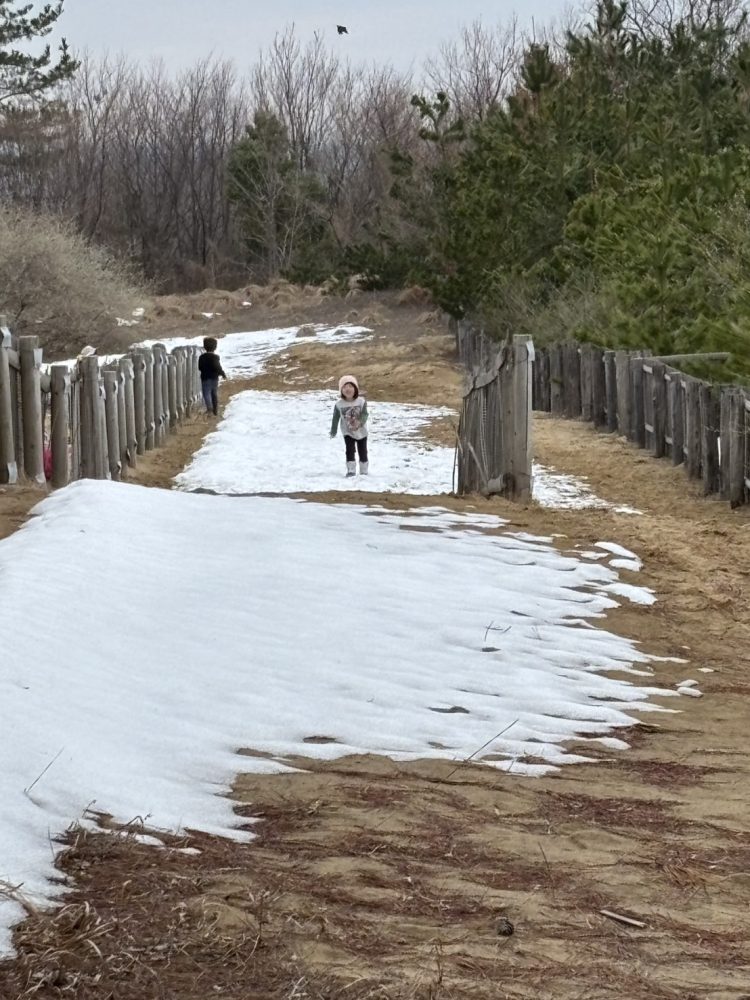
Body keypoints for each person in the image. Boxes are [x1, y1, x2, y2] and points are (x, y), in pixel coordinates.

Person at [330, 374, 368, 476]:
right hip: (347, 432)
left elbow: (365, 414)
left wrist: (361, 421)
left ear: (355, 389)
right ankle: (351, 470)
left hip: (361, 432)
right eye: (345, 387)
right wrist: (333, 430)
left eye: (350, 386)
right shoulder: (339, 405)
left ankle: (364, 470)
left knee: (363, 451)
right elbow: (335, 418)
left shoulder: (361, 402)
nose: (348, 389)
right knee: (350, 450)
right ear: (341, 390)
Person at [198, 336, 226, 416]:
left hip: (205, 379)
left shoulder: (201, 357)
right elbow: (218, 367)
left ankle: (209, 408)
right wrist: (222, 373)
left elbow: (199, 367)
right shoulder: (215, 357)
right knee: (214, 394)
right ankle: (215, 410)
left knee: (206, 393)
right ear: (215, 347)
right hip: (214, 378)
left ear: (204, 347)